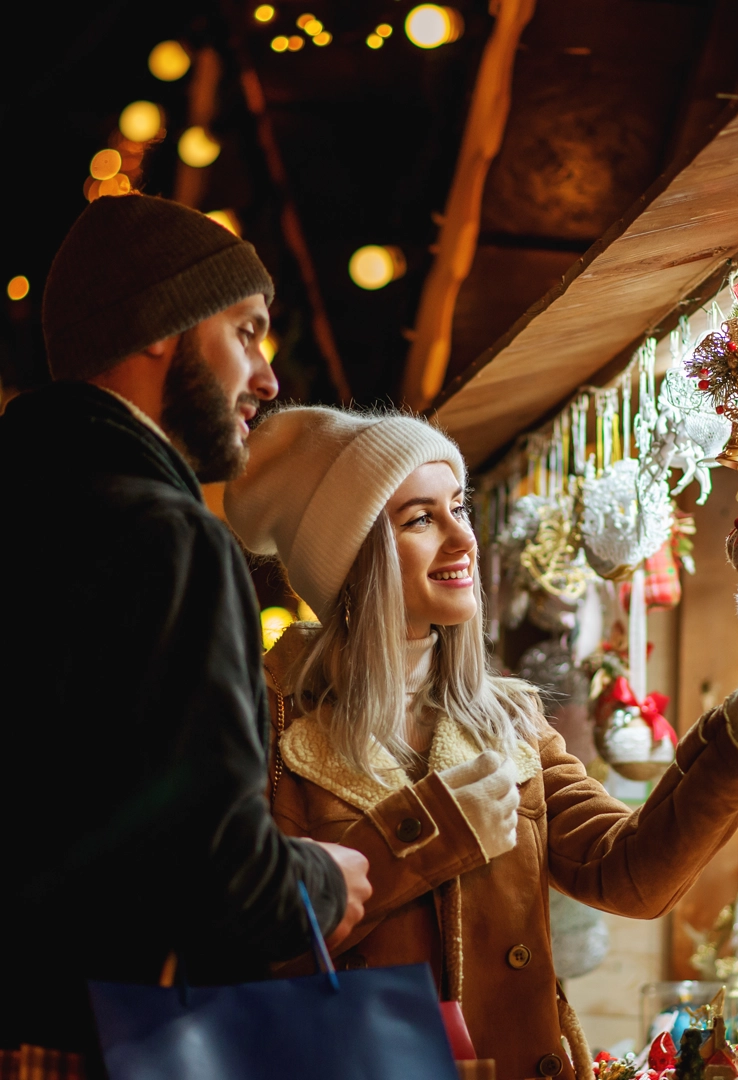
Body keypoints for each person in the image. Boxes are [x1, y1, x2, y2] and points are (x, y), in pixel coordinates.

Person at [224, 406, 738, 1080]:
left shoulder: (508, 718)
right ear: (352, 559)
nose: (461, 540)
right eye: (419, 519)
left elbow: (630, 872)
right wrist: (430, 833)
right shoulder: (266, 726)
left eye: (458, 509)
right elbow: (244, 947)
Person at [0, 195, 370, 1064]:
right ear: (158, 327)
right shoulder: (165, 536)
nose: (268, 379)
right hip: (106, 1043)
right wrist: (321, 880)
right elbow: (216, 863)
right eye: (247, 331)